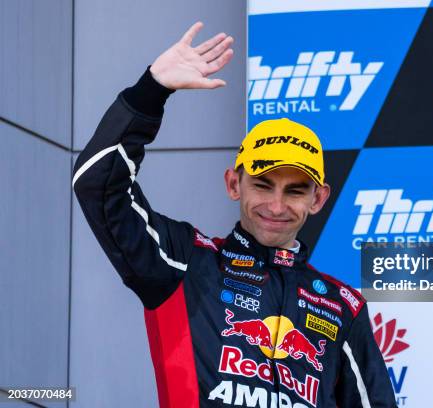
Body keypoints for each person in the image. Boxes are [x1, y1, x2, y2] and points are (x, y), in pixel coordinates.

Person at [73, 22, 397, 408]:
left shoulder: (343, 307)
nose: (276, 206)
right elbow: (98, 185)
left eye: (295, 191)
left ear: (318, 199)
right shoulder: (183, 261)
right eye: (262, 185)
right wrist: (152, 89)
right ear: (233, 184)